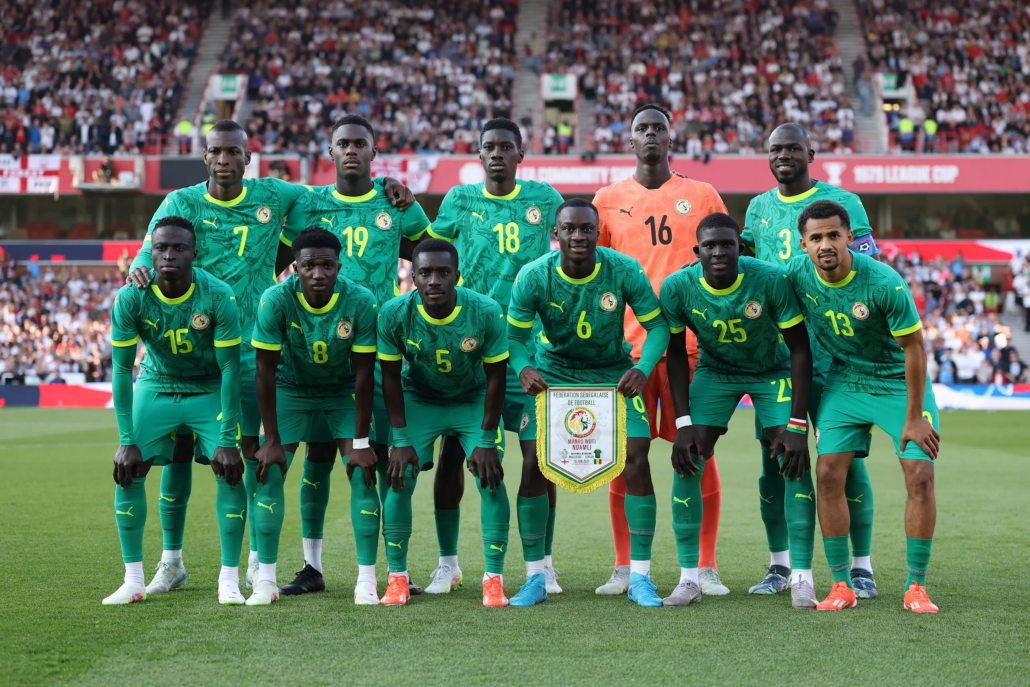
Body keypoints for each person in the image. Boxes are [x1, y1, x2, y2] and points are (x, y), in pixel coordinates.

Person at [126, 118, 416, 594]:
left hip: (247, 350)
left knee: (249, 458)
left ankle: (257, 564)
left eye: (233, 152)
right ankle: (171, 561)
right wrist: (140, 268)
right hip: (191, 347)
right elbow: (150, 247)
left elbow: (336, 188)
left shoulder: (276, 194)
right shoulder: (180, 202)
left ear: (247, 157)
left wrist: (384, 183)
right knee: (177, 455)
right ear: (205, 156)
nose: (224, 159)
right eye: (216, 151)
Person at [279, 114, 431, 595]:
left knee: (382, 458)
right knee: (318, 457)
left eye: (359, 143)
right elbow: (275, 260)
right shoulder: (308, 204)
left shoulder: (396, 203)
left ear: (372, 152)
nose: (350, 150)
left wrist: (410, 199)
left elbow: (432, 257)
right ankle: (312, 567)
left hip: (380, 350)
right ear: (330, 152)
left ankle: (393, 569)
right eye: (342, 143)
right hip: (318, 352)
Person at [592, 103, 730, 597]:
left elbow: (728, 257)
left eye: (659, 128)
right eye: (641, 128)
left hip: (688, 347)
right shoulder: (606, 199)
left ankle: (706, 565)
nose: (650, 134)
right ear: (629, 140)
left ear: (672, 138)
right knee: (625, 457)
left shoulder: (703, 194)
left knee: (697, 452)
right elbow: (595, 273)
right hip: (627, 352)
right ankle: (624, 566)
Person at [505, 198, 671, 607]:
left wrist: (642, 367)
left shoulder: (624, 269)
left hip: (612, 375)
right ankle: (536, 576)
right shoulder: (534, 275)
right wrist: (523, 368)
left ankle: (640, 577)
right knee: (533, 460)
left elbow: (658, 327)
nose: (578, 235)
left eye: (586, 229)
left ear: (598, 232)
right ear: (555, 234)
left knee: (637, 456)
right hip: (554, 376)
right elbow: (514, 339)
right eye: (569, 229)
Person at [426, 117, 565, 595]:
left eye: (507, 146)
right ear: (480, 154)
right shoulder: (458, 199)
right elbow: (430, 252)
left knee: (539, 458)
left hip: (530, 349)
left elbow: (580, 238)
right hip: (469, 348)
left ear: (521, 155)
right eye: (490, 147)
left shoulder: (544, 199)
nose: (498, 154)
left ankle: (542, 564)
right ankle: (448, 563)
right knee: (453, 453)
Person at [742, 122, 880, 598]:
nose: (783, 156)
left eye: (792, 148)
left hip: (836, 356)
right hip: (778, 357)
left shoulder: (844, 202)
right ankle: (781, 566)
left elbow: (869, 269)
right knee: (775, 461)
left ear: (811, 153)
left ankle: (860, 567)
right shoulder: (758, 208)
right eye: (775, 149)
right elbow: (745, 265)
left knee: (845, 462)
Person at [785, 200, 940, 613]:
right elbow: (756, 281)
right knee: (827, 473)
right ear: (803, 244)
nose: (825, 244)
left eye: (833, 235)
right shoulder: (795, 275)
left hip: (897, 382)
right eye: (816, 237)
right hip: (847, 379)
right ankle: (841, 585)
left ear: (849, 237)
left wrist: (913, 417)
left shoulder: (883, 282)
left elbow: (915, 348)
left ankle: (916, 586)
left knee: (920, 474)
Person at [660, 212, 816, 608]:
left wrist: (798, 424)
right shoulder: (677, 287)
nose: (718, 251)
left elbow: (800, 348)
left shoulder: (770, 280)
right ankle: (689, 579)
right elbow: (675, 355)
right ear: (696, 251)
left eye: (726, 244)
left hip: (772, 370)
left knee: (792, 457)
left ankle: (801, 576)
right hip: (716, 372)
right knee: (688, 458)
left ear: (740, 248)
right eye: (709, 246)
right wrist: (682, 422)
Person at [105, 216, 245, 605]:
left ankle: (229, 579)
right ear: (150, 253)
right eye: (161, 248)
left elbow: (231, 370)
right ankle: (134, 580)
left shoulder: (218, 294)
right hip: (157, 383)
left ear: (194, 254)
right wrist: (126, 440)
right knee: (129, 469)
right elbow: (121, 370)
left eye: (179, 248)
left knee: (230, 472)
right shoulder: (131, 297)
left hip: (208, 385)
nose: (169, 255)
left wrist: (228, 439)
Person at [377, 239, 512, 607]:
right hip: (420, 399)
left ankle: (494, 579)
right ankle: (397, 578)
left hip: (472, 398)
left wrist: (486, 439)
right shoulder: (394, 313)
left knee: (490, 478)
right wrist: (400, 438)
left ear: (457, 276)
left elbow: (497, 379)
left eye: (442, 273)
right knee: (399, 477)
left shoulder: (485, 311)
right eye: (425, 273)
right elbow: (389, 378)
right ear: (413, 276)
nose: (433, 280)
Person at [249, 228, 378, 605]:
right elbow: (264, 372)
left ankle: (367, 581)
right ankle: (265, 581)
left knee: (362, 471)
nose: (318, 273)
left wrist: (361, 442)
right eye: (309, 266)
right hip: (291, 388)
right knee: (270, 469)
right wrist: (271, 440)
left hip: (342, 391)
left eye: (327, 265)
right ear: (295, 268)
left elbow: (365, 374)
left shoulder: (360, 300)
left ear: (339, 266)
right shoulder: (276, 299)